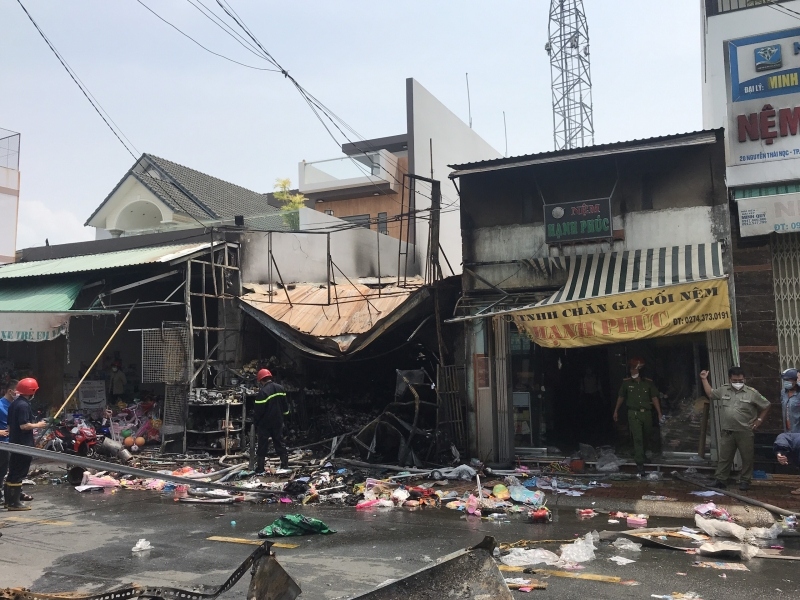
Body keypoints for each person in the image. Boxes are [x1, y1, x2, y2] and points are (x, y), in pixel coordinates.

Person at [700, 366, 770, 491]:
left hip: (745, 431)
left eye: (740, 380)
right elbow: (711, 393)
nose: (738, 383)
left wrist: (759, 420)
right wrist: (704, 379)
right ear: (730, 379)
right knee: (724, 457)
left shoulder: (751, 393)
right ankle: (720, 480)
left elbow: (766, 405)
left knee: (747, 458)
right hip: (728, 431)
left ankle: (745, 481)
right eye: (735, 380)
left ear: (744, 379)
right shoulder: (724, 389)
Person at [613, 358, 664, 476]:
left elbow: (654, 397)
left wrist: (659, 412)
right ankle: (639, 463)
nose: (632, 371)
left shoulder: (648, 382)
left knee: (646, 435)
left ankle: (642, 455)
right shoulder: (626, 383)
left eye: (634, 368)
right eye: (631, 368)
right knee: (638, 438)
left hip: (646, 413)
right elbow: (621, 397)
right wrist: (616, 411)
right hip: (633, 413)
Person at [6, 377, 47, 511]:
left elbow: (10, 427)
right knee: (19, 473)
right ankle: (15, 503)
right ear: (32, 391)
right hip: (23, 444)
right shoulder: (23, 405)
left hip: (14, 442)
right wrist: (39, 425)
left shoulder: (14, 404)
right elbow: (24, 426)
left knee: (13, 472)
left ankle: (9, 501)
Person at [252, 369, 289, 473]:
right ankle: (285, 465)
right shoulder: (281, 388)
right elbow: (285, 406)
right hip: (278, 422)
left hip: (265, 424)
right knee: (280, 442)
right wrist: (285, 418)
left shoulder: (263, 392)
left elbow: (258, 411)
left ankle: (260, 468)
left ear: (261, 380)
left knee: (262, 445)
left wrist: (256, 423)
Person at [0, 379, 18, 506]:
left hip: (12, 444)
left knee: (9, 471)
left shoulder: (16, 406)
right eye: (18, 390)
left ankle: (10, 495)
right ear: (10, 391)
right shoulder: (0, 405)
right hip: (2, 444)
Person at [780, 368, 800, 433]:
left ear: (795, 380)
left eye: (788, 379)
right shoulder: (783, 392)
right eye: (785, 380)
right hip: (787, 431)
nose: (786, 382)